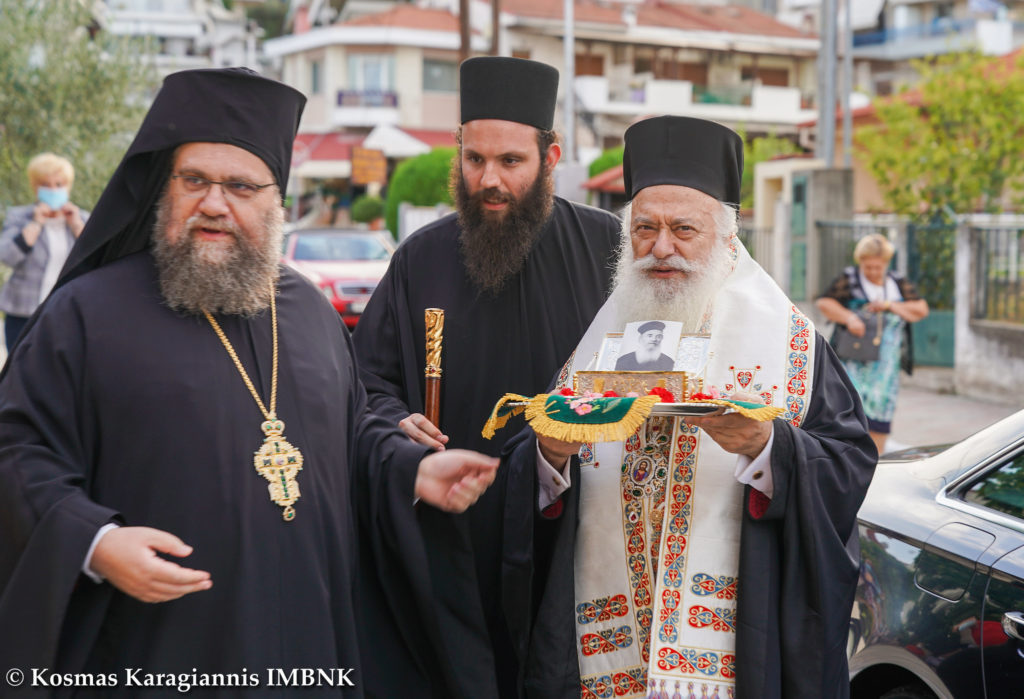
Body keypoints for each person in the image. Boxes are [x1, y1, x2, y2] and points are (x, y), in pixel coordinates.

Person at [0, 67, 498, 693]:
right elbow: (18, 451)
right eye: (194, 181)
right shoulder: (86, 315)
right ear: (163, 188)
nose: (214, 203)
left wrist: (410, 469)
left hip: (308, 643)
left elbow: (348, 433)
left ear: (275, 201)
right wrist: (95, 543)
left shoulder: (310, 312)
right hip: (159, 647)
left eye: (239, 185)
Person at [497, 116, 877, 698]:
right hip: (603, 655)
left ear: (726, 236)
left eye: (683, 229)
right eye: (645, 229)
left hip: (729, 656)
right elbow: (529, 478)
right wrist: (549, 454)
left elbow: (848, 464)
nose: (661, 248)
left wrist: (768, 448)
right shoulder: (597, 343)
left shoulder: (790, 345)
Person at [352, 56, 621, 696]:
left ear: (550, 158)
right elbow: (364, 385)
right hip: (453, 539)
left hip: (572, 540)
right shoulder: (420, 258)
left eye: (510, 161)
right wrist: (394, 422)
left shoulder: (608, 249)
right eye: (474, 159)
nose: (488, 180)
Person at [815, 233, 929, 454]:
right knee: (848, 407)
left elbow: (921, 310)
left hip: (885, 368)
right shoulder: (850, 279)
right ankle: (848, 456)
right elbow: (825, 303)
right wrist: (849, 318)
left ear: (886, 263)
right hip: (852, 362)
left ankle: (876, 458)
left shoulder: (897, 283)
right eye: (868, 267)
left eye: (878, 267)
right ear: (860, 262)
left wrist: (889, 305)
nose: (873, 272)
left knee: (882, 411)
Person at [0, 153, 87, 351]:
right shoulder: (20, 217)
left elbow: (95, 260)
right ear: (35, 187)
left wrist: (76, 225)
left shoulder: (82, 219)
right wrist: (36, 223)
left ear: (68, 186)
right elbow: (6, 257)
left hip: (64, 312)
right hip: (22, 313)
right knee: (18, 365)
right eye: (46, 185)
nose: (53, 189)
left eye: (59, 184)